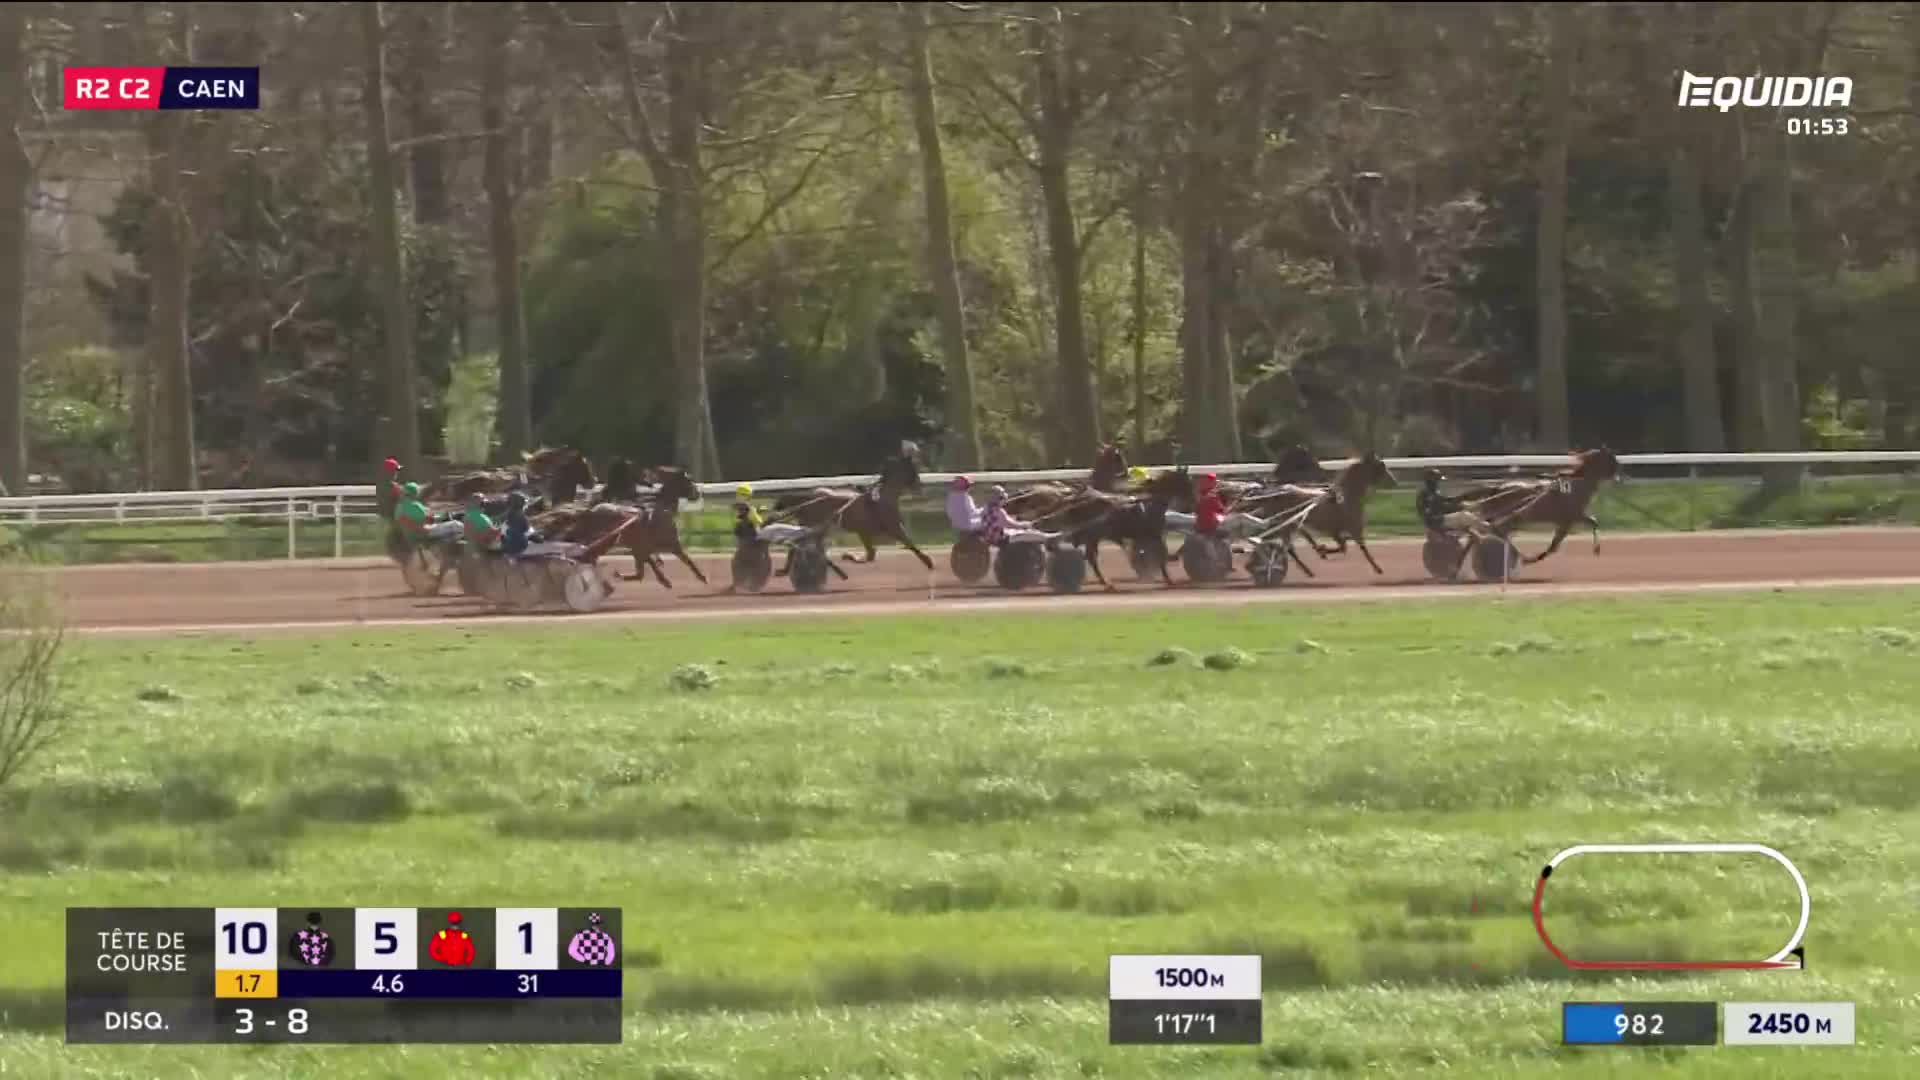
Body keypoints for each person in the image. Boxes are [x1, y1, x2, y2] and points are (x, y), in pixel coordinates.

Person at [980, 486, 1062, 548]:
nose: (1004, 501)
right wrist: (1027, 524)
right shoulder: (999, 512)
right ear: (998, 499)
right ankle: (1047, 537)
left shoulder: (986, 508)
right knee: (1027, 534)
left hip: (989, 536)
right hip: (999, 540)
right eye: (1002, 498)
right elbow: (1013, 525)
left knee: (1019, 531)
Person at [733, 484, 813, 546]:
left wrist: (759, 511)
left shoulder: (740, 505)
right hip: (754, 534)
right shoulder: (744, 506)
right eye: (749, 495)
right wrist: (767, 518)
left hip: (750, 533)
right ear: (745, 494)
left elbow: (749, 515)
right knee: (777, 527)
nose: (750, 497)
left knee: (775, 528)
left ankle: (783, 539)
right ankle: (805, 531)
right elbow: (755, 519)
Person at [395, 482, 463, 546]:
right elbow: (429, 520)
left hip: (412, 535)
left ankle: (445, 545)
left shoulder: (399, 506)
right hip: (425, 532)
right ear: (415, 493)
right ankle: (445, 546)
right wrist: (442, 516)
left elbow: (425, 517)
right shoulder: (414, 505)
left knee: (448, 524)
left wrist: (440, 517)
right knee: (458, 526)